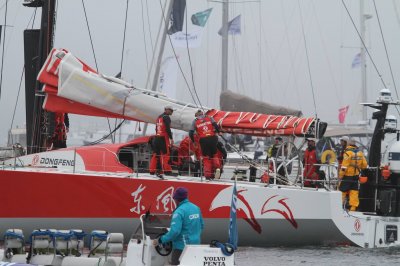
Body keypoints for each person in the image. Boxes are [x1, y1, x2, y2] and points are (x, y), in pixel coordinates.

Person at [154, 187, 204, 265]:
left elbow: (174, 232)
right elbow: (201, 225)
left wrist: (160, 240)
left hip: (181, 248)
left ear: (176, 199)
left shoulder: (179, 211)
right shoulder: (196, 208)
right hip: (195, 246)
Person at [189, 109, 222, 180]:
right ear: (202, 114)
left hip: (203, 140)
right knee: (214, 154)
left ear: (197, 115)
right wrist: (219, 132)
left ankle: (207, 175)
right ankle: (217, 167)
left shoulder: (195, 121)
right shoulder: (209, 117)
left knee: (206, 157)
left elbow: (190, 133)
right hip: (213, 138)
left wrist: (193, 141)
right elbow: (215, 125)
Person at [339, 138, 368, 211]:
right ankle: (353, 208)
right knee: (354, 192)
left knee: (342, 191)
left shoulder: (347, 153)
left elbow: (344, 167)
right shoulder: (360, 153)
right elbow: (364, 165)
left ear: (348, 144)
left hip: (347, 176)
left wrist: (340, 176)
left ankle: (339, 205)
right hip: (356, 176)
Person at [150, 106, 174, 176]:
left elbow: (156, 129)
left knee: (155, 155)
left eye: (172, 111)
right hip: (163, 138)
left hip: (157, 137)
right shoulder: (166, 117)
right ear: (166, 110)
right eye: (171, 110)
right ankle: (167, 171)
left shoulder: (159, 117)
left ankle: (152, 171)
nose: (172, 112)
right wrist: (171, 138)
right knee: (166, 155)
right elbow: (167, 129)